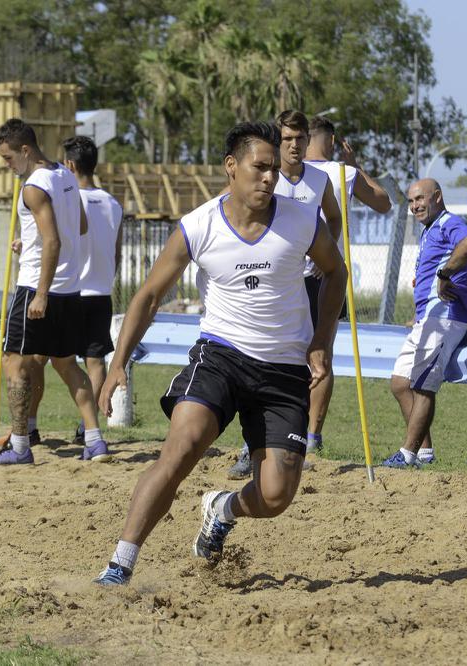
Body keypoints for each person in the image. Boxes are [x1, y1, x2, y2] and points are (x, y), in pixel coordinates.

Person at [93, 121, 347, 586]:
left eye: (274, 170)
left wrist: (320, 341)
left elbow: (337, 273)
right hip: (221, 356)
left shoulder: (302, 220)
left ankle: (222, 508)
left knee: (275, 496)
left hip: (283, 369)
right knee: (182, 447)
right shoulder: (199, 225)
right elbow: (148, 296)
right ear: (232, 166)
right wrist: (117, 365)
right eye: (260, 167)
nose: (269, 178)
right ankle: (119, 565)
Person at [0, 119, 108, 465]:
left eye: (9, 158)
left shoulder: (33, 187)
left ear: (25, 150)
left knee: (14, 363)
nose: (8, 166)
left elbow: (53, 240)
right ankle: (95, 440)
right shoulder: (65, 175)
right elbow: (79, 226)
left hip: (38, 286)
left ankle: (20, 446)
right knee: (67, 365)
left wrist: (40, 293)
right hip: (70, 289)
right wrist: (31, 242)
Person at [227, 109, 342, 480]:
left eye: (300, 138)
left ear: (309, 141)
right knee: (260, 357)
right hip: (271, 283)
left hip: (309, 283)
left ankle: (304, 439)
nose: (294, 145)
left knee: (313, 359)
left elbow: (334, 217)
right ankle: (249, 446)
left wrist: (327, 253)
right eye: (287, 139)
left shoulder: (320, 180)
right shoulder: (265, 179)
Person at [381, 178, 467, 469]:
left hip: (444, 317)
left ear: (437, 196)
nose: (414, 206)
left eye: (420, 199)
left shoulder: (448, 222)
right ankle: (424, 453)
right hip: (427, 318)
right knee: (400, 383)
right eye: (411, 201)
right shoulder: (429, 230)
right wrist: (419, 312)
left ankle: (408, 454)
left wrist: (445, 274)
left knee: (423, 385)